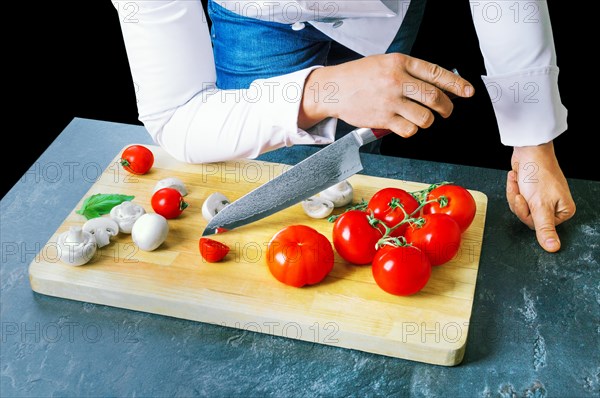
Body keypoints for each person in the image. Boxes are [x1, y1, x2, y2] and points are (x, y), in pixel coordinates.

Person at [113, 0, 575, 253]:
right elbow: (179, 116)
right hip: (256, 16)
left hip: (381, 10)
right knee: (269, 206)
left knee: (349, 195)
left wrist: (534, 140)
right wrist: (324, 92)